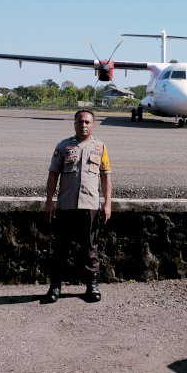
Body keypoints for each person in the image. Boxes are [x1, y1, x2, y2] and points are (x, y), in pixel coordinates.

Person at [42, 109, 112, 304]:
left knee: (90, 249)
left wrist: (107, 204)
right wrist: (49, 202)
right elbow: (53, 175)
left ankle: (92, 286)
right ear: (74, 124)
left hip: (90, 206)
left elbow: (106, 176)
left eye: (87, 122)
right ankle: (55, 287)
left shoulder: (100, 147)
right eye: (80, 122)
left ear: (93, 125)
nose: (83, 125)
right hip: (65, 206)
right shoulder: (64, 147)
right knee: (60, 249)